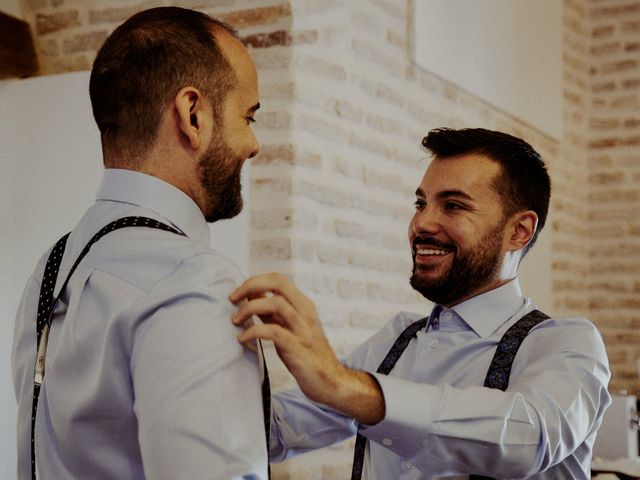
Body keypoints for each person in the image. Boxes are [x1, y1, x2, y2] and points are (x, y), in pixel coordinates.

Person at [230, 128, 612, 479]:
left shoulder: (567, 343)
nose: (422, 224)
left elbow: (528, 437)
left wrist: (343, 386)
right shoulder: (395, 340)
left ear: (518, 231)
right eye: (420, 203)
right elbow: (274, 431)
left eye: (454, 206)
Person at [12, 7, 267, 479]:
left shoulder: (51, 267)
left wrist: (345, 395)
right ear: (193, 114)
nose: (253, 144)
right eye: (247, 116)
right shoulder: (191, 278)